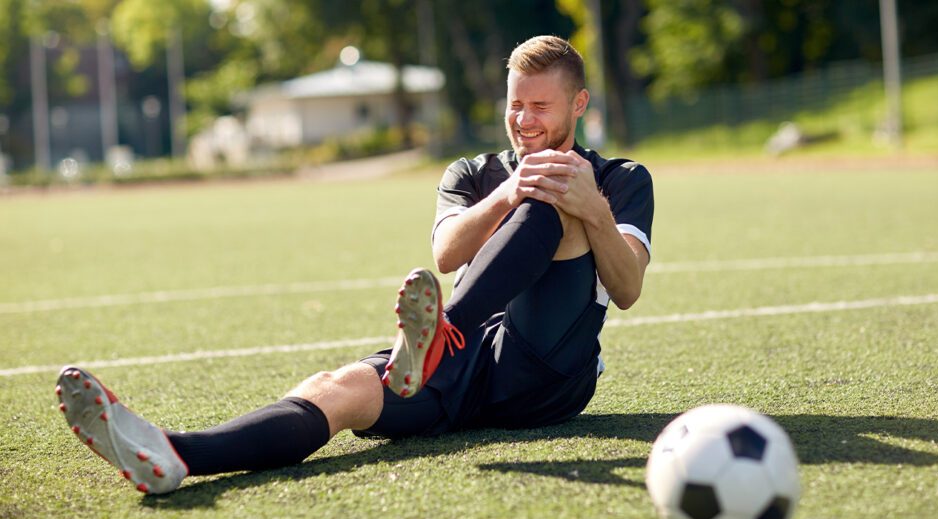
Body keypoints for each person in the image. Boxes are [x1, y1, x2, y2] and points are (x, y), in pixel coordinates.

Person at [55, 35, 654, 494]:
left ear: (579, 103)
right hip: (462, 363)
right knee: (337, 389)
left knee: (560, 201)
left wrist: (593, 211)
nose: (524, 121)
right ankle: (173, 454)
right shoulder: (471, 173)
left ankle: (440, 338)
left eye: (540, 106)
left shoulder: (622, 179)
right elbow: (446, 254)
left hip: (545, 370)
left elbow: (626, 289)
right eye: (515, 105)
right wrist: (507, 193)